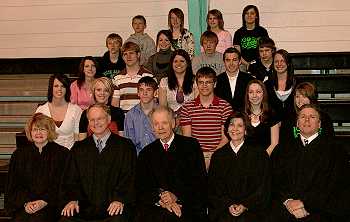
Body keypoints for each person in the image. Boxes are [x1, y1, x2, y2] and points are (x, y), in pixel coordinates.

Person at [59, 104, 136, 222]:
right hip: (85, 207)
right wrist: (73, 199)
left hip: (113, 206)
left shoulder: (125, 146)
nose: (96, 123)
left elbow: (129, 177)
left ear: (109, 119)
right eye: (92, 120)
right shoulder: (79, 148)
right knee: (66, 219)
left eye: (100, 118)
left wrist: (119, 199)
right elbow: (70, 179)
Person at [270, 104, 344, 222]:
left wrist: (304, 203)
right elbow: (274, 181)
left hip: (320, 210)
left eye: (312, 117)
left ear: (319, 124)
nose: (307, 120)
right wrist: (288, 201)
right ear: (297, 123)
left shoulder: (335, 150)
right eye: (303, 116)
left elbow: (333, 185)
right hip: (285, 209)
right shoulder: (282, 149)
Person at [135, 106, 207, 222]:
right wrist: (161, 200)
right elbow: (142, 187)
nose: (160, 128)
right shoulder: (146, 153)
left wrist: (176, 196)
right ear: (152, 127)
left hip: (187, 204)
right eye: (156, 124)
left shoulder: (191, 146)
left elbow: (199, 182)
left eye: (164, 123)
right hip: (157, 207)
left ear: (173, 123)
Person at [6, 113, 69, 222]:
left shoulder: (62, 154)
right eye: (35, 129)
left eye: (43, 129)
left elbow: (63, 185)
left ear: (49, 131)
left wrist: (45, 201)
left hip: (51, 205)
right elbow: (14, 185)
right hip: (25, 206)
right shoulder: (19, 155)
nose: (38, 133)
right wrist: (26, 203)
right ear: (30, 132)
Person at [208, 112, 270, 222]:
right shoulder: (218, 156)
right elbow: (213, 189)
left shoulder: (259, 154)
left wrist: (245, 205)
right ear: (226, 129)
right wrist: (228, 204)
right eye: (231, 124)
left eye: (240, 125)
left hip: (251, 210)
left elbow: (263, 187)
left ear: (246, 130)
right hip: (224, 210)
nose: (235, 129)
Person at [180, 67, 233, 169]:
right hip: (195, 156)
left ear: (215, 84)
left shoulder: (225, 107)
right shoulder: (187, 108)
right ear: (196, 84)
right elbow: (187, 139)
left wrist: (212, 156)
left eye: (208, 82)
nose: (204, 86)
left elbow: (226, 138)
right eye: (201, 82)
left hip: (220, 155)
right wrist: (200, 158)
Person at [279, 82, 334, 146]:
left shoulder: (324, 117)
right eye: (297, 97)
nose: (300, 100)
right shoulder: (289, 118)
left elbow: (329, 142)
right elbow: (284, 143)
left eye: (304, 96)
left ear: (311, 98)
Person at [36, 73, 82, 149]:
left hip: (70, 154)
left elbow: (77, 138)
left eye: (63, 86)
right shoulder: (41, 110)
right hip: (48, 154)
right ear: (51, 88)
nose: (59, 89)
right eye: (56, 86)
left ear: (67, 89)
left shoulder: (76, 110)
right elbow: (38, 137)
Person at [112, 41, 153, 111]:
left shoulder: (149, 76)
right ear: (122, 57)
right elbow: (115, 105)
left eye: (131, 53)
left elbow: (154, 101)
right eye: (125, 54)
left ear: (138, 54)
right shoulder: (117, 78)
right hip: (125, 120)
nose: (128, 56)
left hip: (145, 119)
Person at [244, 79, 280, 156]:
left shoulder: (272, 114)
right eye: (251, 92)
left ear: (264, 94)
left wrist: (262, 158)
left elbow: (274, 143)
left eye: (258, 92)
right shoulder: (241, 114)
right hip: (244, 158)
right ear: (247, 95)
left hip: (266, 158)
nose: (254, 95)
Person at [124, 76, 158, 155]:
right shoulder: (130, 115)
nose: (145, 93)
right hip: (138, 158)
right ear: (138, 93)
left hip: (159, 156)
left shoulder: (162, 113)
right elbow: (129, 143)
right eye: (141, 90)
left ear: (155, 92)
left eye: (148, 90)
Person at [159, 49, 197, 117]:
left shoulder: (195, 81)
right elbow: (163, 108)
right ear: (171, 64)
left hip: (191, 119)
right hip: (171, 120)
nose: (178, 64)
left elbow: (197, 106)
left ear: (187, 63)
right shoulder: (164, 82)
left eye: (182, 61)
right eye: (175, 61)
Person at [215, 47, 254, 111]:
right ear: (224, 62)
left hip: (244, 117)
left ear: (240, 62)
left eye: (234, 60)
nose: (231, 63)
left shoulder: (249, 80)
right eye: (228, 60)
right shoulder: (217, 80)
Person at [233, 5, 269, 70]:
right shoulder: (238, 33)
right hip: (243, 64)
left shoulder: (262, 32)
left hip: (260, 63)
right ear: (243, 16)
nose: (249, 15)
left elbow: (266, 50)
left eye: (252, 13)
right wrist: (247, 64)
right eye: (247, 13)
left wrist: (256, 64)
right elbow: (237, 54)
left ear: (256, 16)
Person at [265, 49, 295, 122]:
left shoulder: (297, 83)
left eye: (282, 61)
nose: (279, 64)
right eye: (276, 61)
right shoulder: (267, 84)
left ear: (288, 63)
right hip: (273, 125)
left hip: (293, 124)